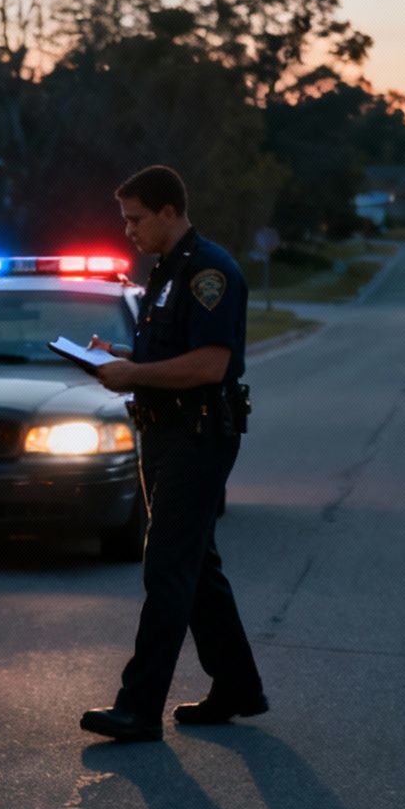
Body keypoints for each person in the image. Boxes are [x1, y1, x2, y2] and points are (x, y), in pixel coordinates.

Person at [78, 165, 267, 744]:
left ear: (168, 211)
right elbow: (166, 352)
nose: (128, 230)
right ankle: (237, 686)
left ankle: (138, 708)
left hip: (199, 436)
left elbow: (211, 363)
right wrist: (118, 356)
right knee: (196, 566)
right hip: (163, 433)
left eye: (135, 219)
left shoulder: (210, 270)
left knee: (167, 566)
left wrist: (135, 371)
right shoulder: (165, 271)